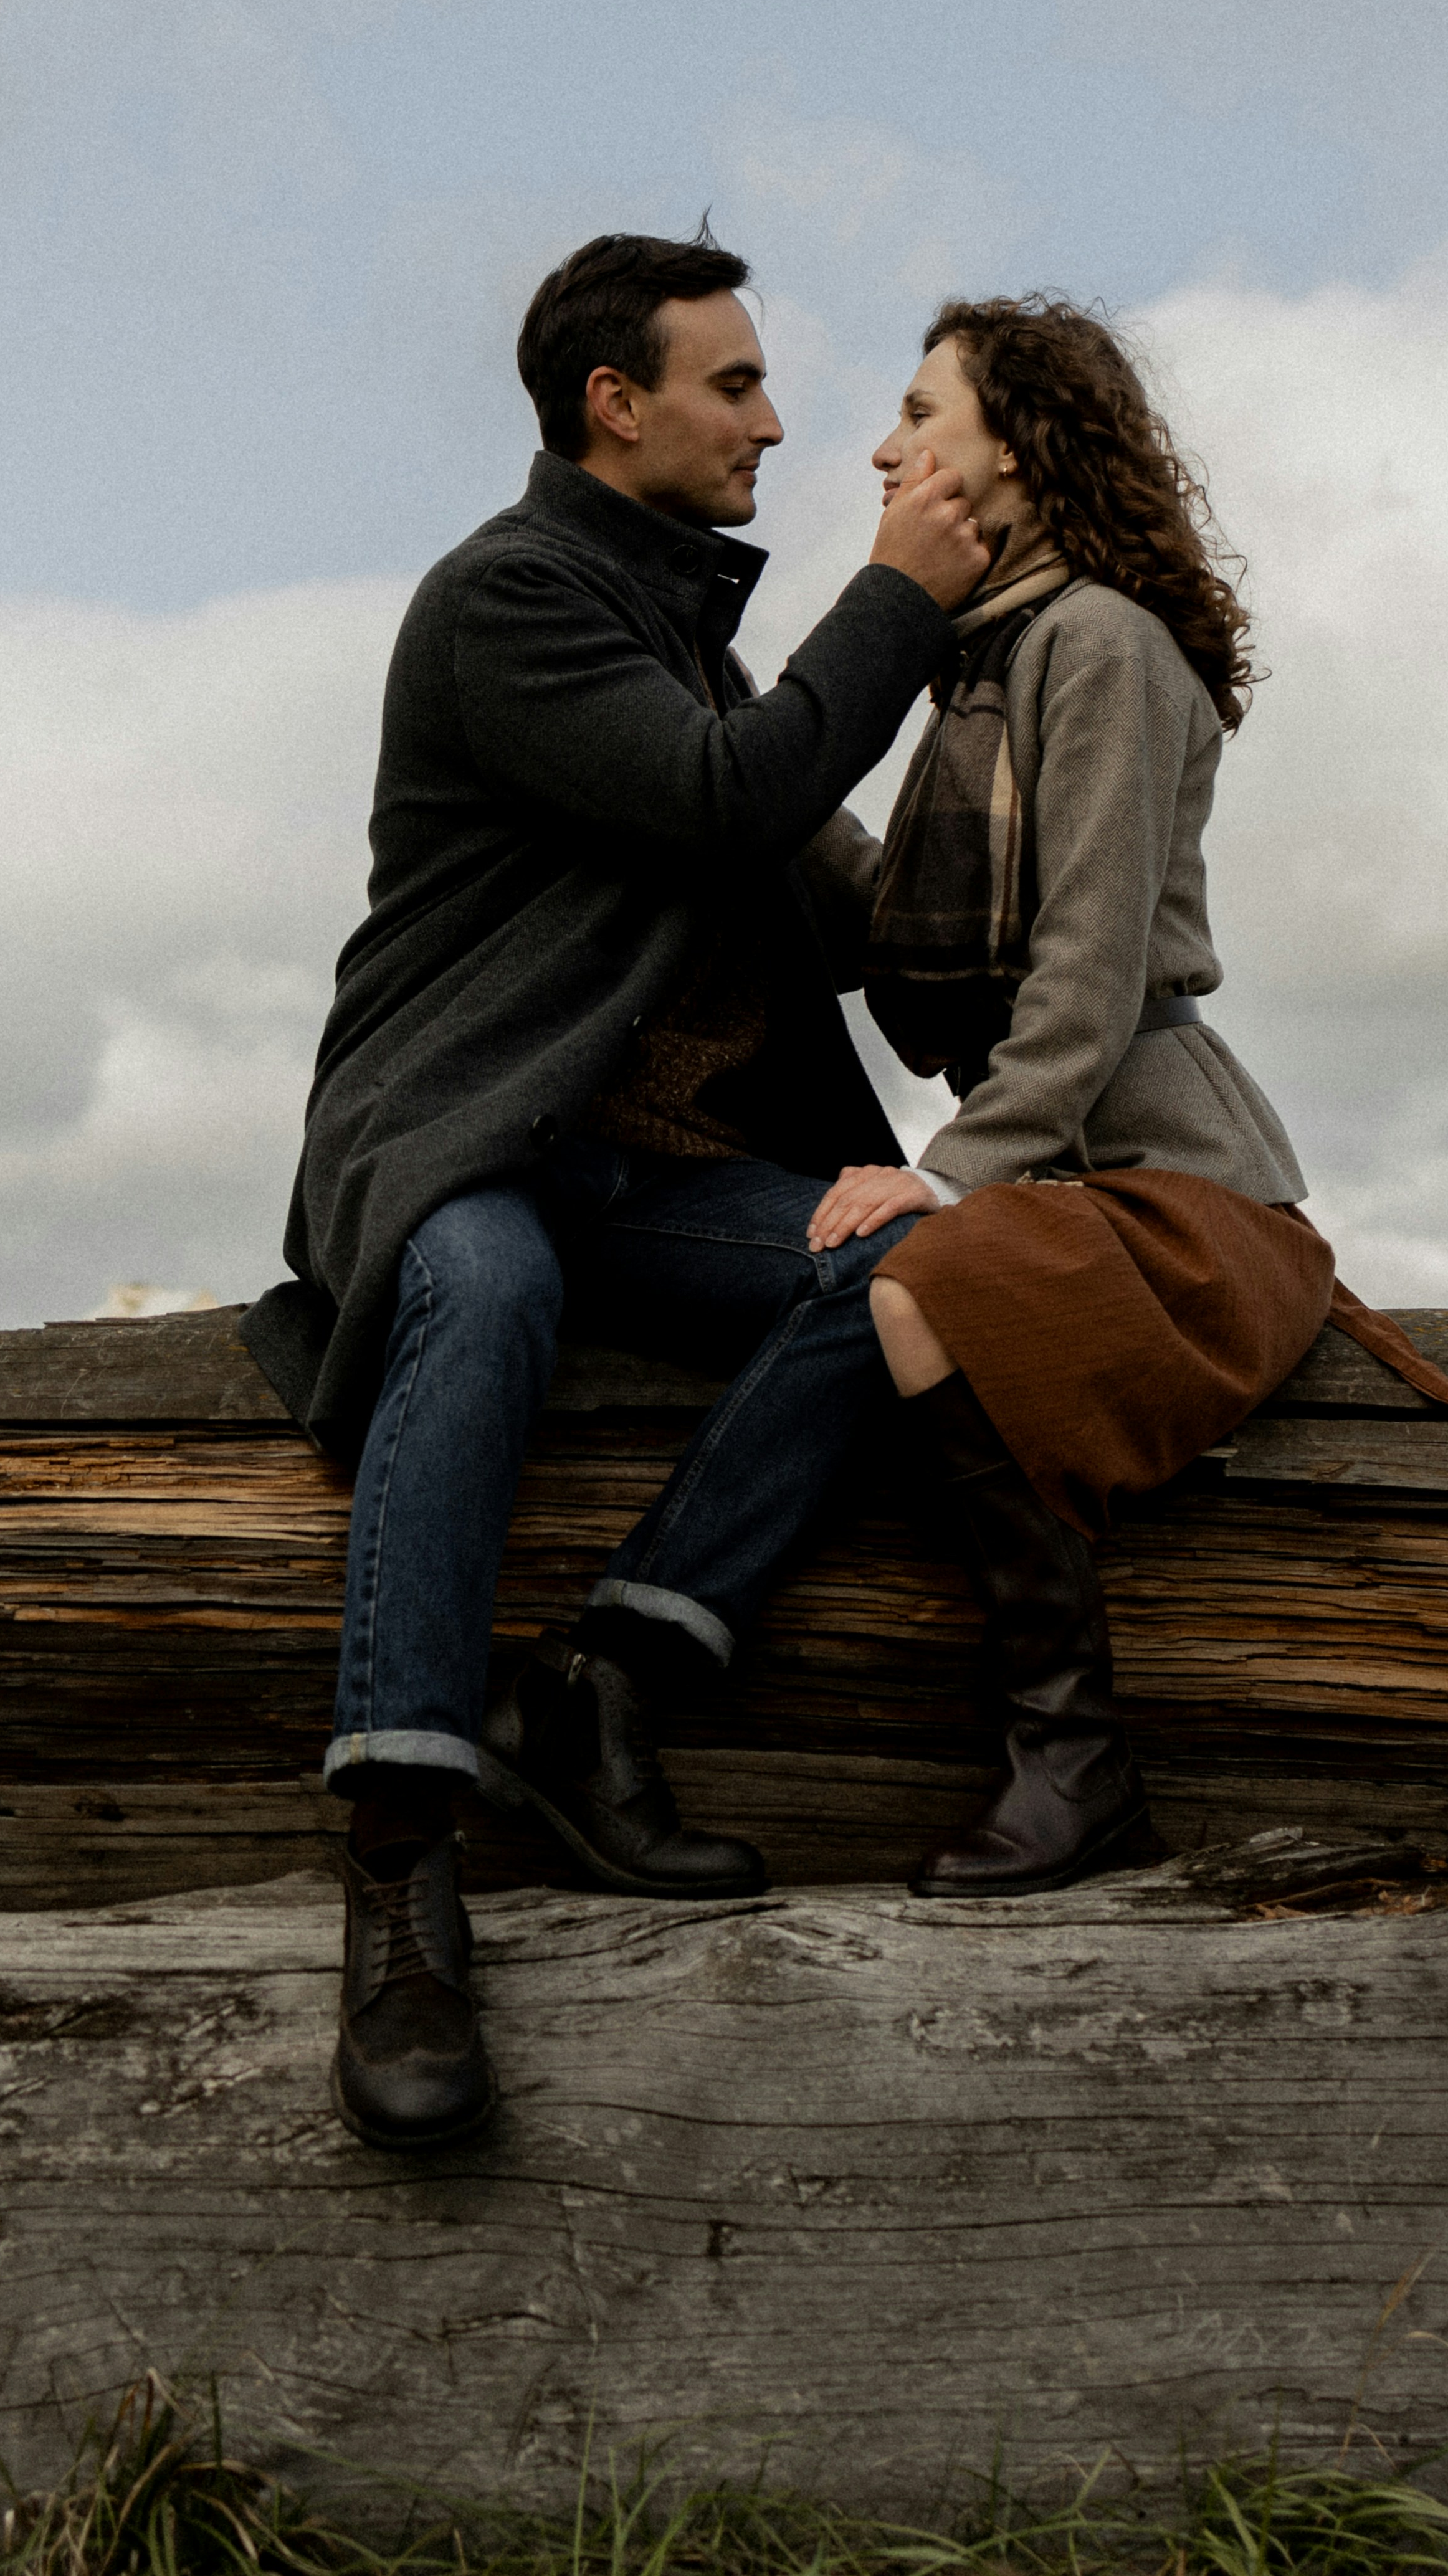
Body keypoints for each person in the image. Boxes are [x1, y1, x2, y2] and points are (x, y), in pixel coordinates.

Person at [242, 229, 991, 2152]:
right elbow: (732, 792)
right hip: (463, 1138)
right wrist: (897, 597)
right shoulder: (509, 600)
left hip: (650, 1174)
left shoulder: (687, 646)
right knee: (486, 1284)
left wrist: (1031, 739)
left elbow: (848, 898)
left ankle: (604, 1680)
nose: (774, 420)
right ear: (613, 403)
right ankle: (400, 1859)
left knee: (906, 1269)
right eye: (732, 383)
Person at [800, 296, 1448, 1901]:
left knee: (925, 1285)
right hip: (1069, 1172)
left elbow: (1092, 961)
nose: (886, 448)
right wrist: (754, 768)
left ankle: (1076, 1760)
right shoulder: (981, 665)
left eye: (921, 412)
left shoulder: (1099, 642)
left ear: (1018, 444)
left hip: (1183, 1189)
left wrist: (953, 1171)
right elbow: (892, 914)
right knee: (907, 1277)